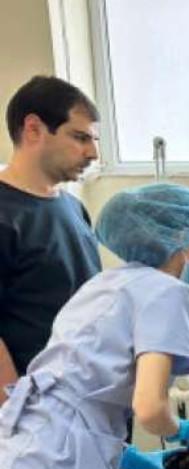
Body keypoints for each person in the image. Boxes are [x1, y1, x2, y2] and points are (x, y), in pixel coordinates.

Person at [0, 183, 189, 469]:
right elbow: (150, 408)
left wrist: (124, 454)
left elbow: (74, 386)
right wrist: (180, 429)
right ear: (180, 239)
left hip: (17, 462)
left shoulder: (102, 285)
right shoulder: (168, 291)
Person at [0, 75, 102, 401]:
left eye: (94, 140)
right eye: (80, 137)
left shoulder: (73, 208)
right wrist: (15, 411)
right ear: (33, 129)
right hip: (34, 409)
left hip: (81, 397)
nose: (93, 153)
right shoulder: (5, 214)